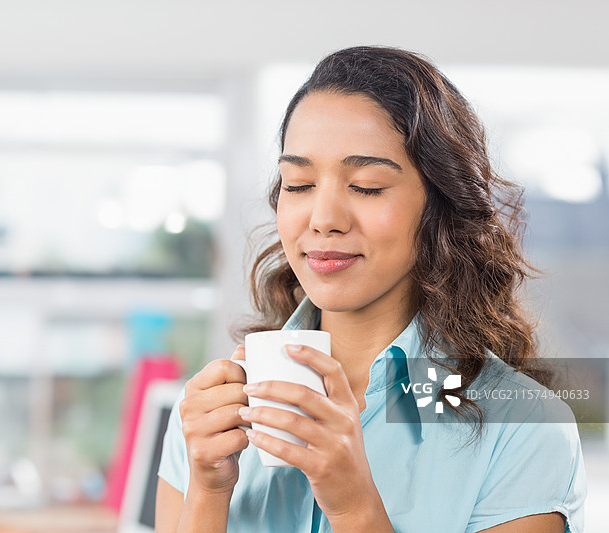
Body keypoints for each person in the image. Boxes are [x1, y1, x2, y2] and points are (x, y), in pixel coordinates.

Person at [154, 46, 587, 533]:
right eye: (298, 184)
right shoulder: (209, 415)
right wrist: (209, 492)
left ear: (439, 206)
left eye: (365, 186)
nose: (324, 220)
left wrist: (353, 506)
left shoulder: (521, 428)